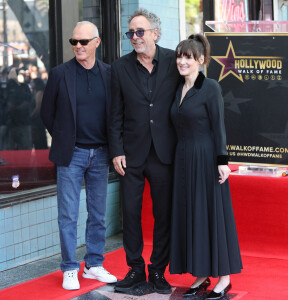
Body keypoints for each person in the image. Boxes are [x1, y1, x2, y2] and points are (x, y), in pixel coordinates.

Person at [41, 21, 117, 290]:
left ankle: (94, 264)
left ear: (97, 42)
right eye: (74, 42)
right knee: (68, 214)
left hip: (101, 153)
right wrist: (64, 137)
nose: (78, 47)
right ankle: (70, 267)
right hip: (71, 154)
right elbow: (46, 113)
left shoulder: (110, 73)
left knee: (98, 213)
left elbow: (116, 115)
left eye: (83, 42)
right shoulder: (60, 73)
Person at [109, 8, 180, 294]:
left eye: (140, 32)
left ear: (155, 32)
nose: (135, 37)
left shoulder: (175, 62)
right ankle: (136, 269)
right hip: (131, 154)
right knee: (130, 213)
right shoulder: (119, 67)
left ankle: (158, 270)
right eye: (131, 33)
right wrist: (116, 150)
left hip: (165, 153)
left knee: (164, 214)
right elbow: (114, 114)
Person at [169, 34, 243, 299]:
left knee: (211, 215)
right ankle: (201, 273)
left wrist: (223, 161)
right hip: (183, 160)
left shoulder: (209, 87)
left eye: (187, 57)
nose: (181, 61)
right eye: (179, 56)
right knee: (193, 215)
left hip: (205, 158)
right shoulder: (178, 88)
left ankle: (224, 278)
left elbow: (218, 126)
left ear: (201, 60)